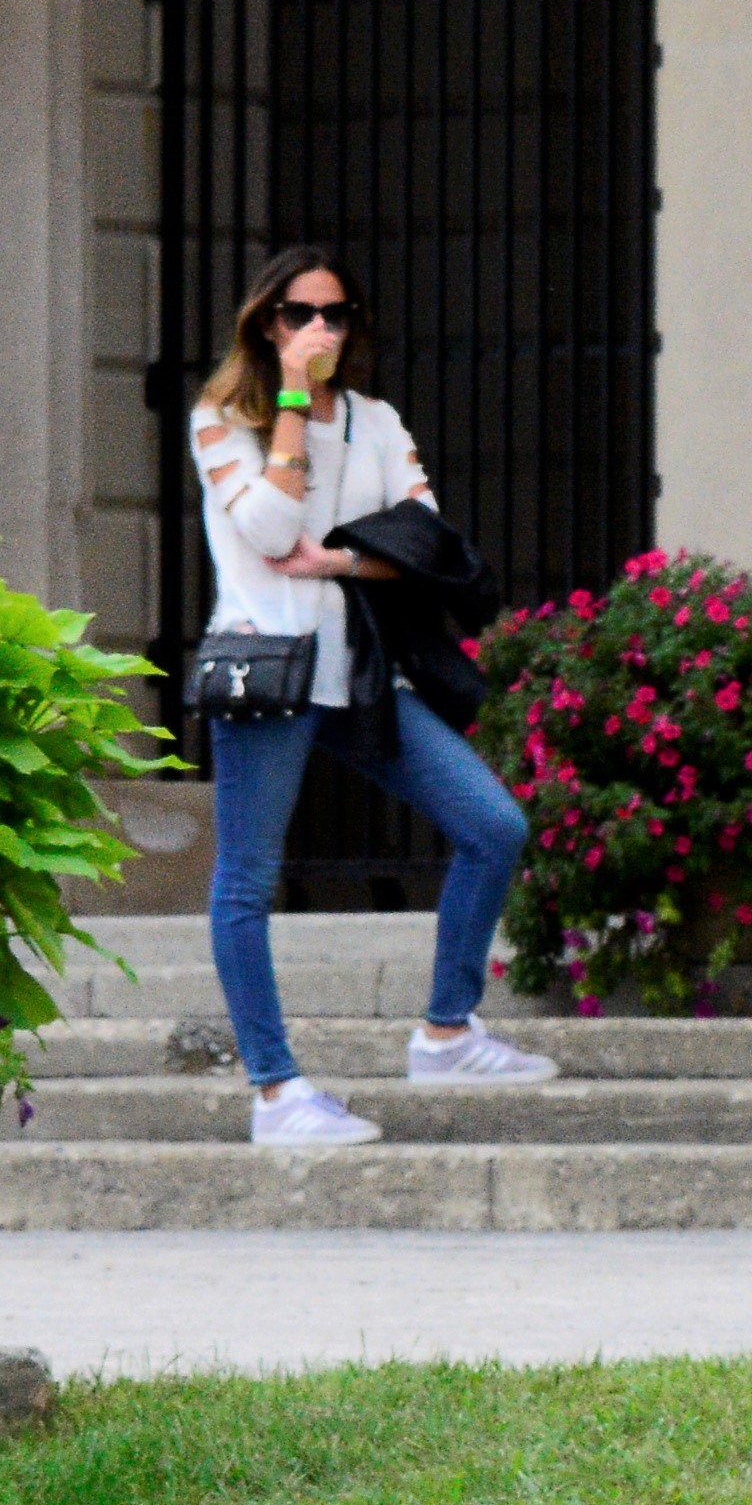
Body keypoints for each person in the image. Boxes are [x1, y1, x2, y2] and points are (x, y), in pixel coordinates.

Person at [185, 245, 557, 1146]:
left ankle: (446, 1029)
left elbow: (429, 543)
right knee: (247, 880)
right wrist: (286, 408)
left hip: (360, 676)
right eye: (299, 314)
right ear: (266, 324)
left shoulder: (376, 422)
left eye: (335, 314)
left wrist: (343, 558)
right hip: (267, 672)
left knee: (492, 825)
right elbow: (269, 526)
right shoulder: (220, 422)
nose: (319, 330)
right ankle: (276, 1092)